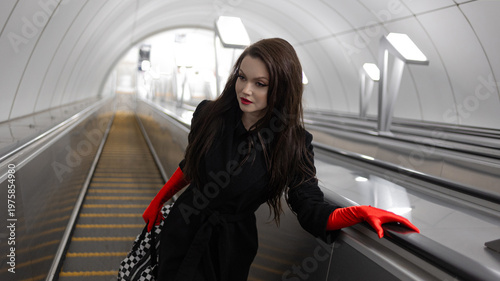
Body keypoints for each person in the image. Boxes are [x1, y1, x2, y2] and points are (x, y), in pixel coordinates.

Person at [142, 38, 419, 280]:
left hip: (230, 246)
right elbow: (191, 166)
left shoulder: (292, 143)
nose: (245, 90)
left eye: (260, 84)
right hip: (184, 226)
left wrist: (356, 212)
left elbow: (308, 205)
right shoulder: (209, 115)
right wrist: (159, 200)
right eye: (242, 77)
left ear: (282, 89)